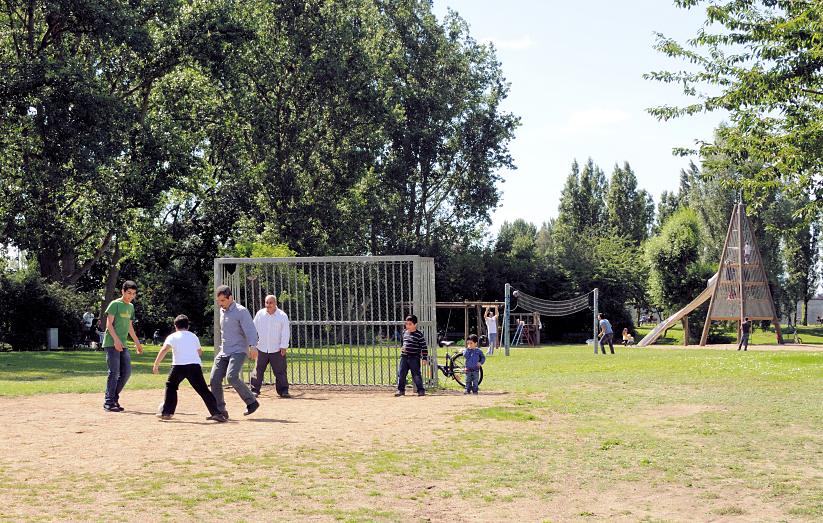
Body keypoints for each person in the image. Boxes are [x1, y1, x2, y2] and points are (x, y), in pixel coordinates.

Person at [152, 314, 227, 422]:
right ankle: (216, 413)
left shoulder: (172, 336)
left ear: (175, 326)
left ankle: (167, 412)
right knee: (203, 390)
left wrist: (156, 364)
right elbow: (200, 352)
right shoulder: (193, 336)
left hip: (178, 366)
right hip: (194, 366)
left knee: (171, 386)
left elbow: (164, 349)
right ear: (188, 326)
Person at [211, 285, 260, 418]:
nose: (220, 304)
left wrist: (253, 346)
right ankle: (220, 411)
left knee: (231, 376)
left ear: (230, 298)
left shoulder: (241, 311)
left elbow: (250, 329)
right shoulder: (222, 311)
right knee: (214, 379)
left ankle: (252, 402)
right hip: (224, 351)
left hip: (238, 350)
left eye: (223, 301)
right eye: (218, 301)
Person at [102, 280, 144, 412]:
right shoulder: (115, 304)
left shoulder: (130, 307)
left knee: (126, 372)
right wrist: (116, 340)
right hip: (111, 342)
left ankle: (113, 398)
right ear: (122, 291)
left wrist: (137, 343)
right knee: (114, 372)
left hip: (123, 344)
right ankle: (109, 402)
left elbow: (130, 327)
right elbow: (109, 325)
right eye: (128, 293)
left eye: (133, 294)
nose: (131, 296)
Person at [251, 295, 291, 398]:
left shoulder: (282, 315)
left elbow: (285, 332)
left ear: (275, 303)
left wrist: (283, 346)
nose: (268, 305)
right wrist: (253, 345)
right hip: (261, 347)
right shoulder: (260, 314)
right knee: (258, 369)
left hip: (277, 349)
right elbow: (253, 329)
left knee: (280, 371)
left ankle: (283, 391)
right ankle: (254, 390)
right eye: (266, 303)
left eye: (270, 303)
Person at [395, 314, 428, 397]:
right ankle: (400, 390)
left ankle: (420, 390)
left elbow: (423, 347)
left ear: (415, 325)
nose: (407, 326)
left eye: (410, 324)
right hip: (404, 357)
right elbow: (403, 343)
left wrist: (424, 358)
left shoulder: (419, 335)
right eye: (406, 324)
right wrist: (402, 348)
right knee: (401, 374)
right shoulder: (404, 333)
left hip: (414, 358)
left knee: (416, 374)